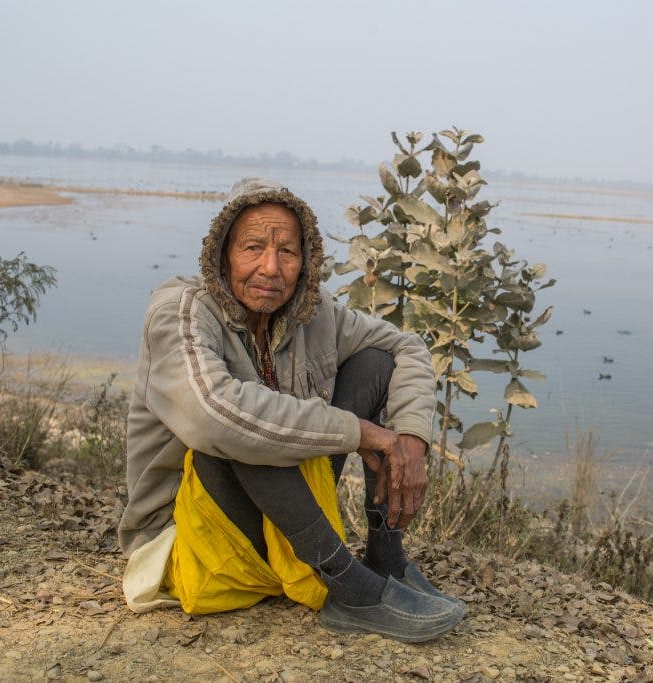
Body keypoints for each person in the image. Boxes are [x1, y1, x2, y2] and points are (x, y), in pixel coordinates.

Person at [117, 177, 463, 642]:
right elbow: (214, 415)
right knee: (242, 426)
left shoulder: (313, 313)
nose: (270, 268)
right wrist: (359, 432)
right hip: (190, 541)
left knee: (375, 362)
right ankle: (348, 588)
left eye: (287, 252)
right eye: (252, 248)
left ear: (306, 262)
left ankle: (385, 557)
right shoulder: (181, 311)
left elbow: (407, 347)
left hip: (282, 519)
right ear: (222, 256)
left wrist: (412, 438)